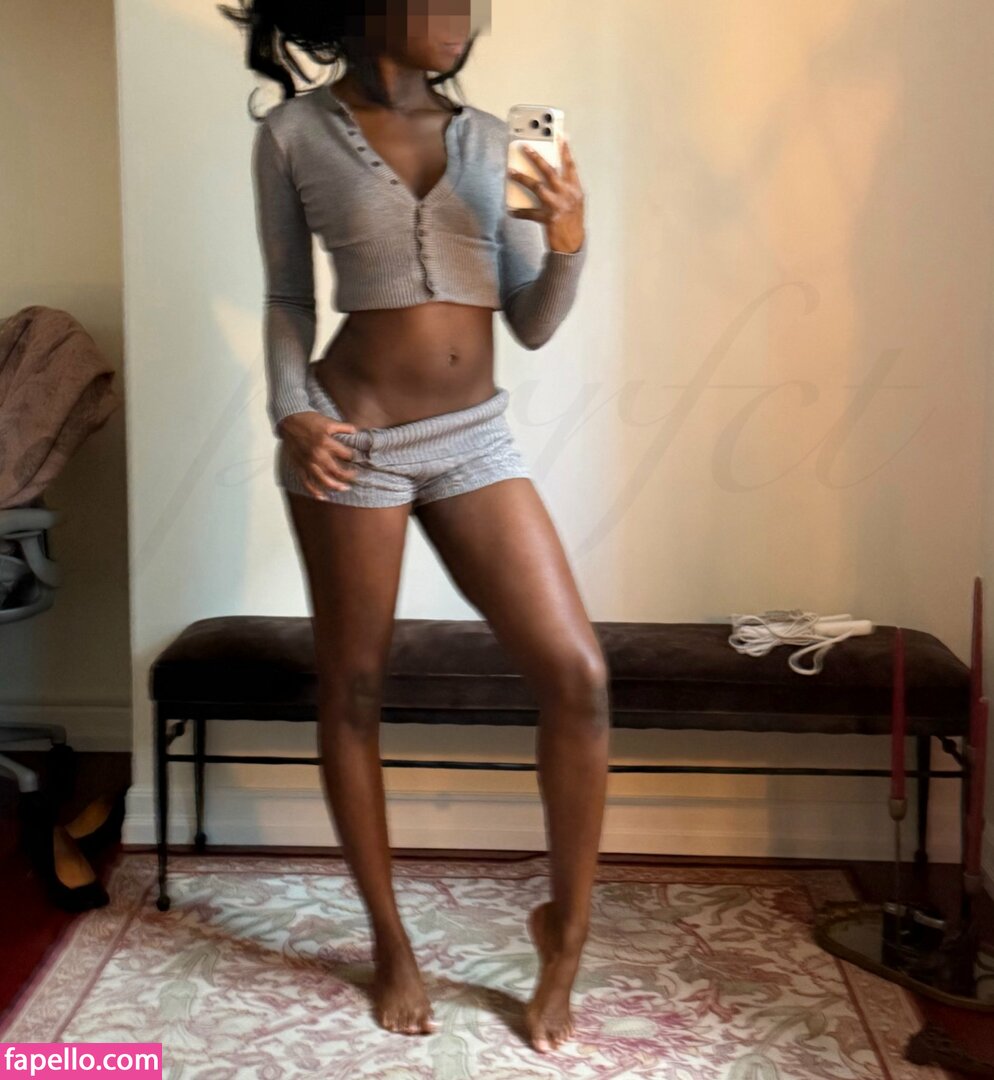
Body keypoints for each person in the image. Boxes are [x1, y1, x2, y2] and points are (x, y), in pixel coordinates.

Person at [221, 0, 610, 1054]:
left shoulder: (498, 140)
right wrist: (292, 411)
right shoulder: (293, 135)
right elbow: (288, 298)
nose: (461, 15)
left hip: (473, 439)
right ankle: (390, 941)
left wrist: (568, 241)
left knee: (576, 674)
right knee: (353, 690)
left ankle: (565, 936)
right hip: (351, 440)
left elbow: (530, 322)